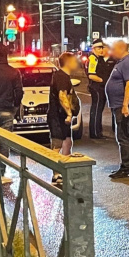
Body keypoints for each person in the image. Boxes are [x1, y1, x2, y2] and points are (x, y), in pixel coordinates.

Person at [48, 52, 83, 186]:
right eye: (74, 61)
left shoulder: (64, 76)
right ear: (68, 62)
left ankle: (65, 169)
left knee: (67, 141)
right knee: (57, 144)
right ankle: (56, 174)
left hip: (61, 117)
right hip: (58, 117)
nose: (76, 63)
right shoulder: (61, 76)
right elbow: (62, 95)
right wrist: (69, 114)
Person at [105, 39, 129, 179]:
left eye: (113, 49)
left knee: (124, 137)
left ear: (120, 48)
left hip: (124, 106)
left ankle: (126, 168)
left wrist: (125, 105)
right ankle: (127, 166)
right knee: (125, 136)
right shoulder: (122, 62)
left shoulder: (128, 63)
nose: (111, 52)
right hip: (119, 105)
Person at [85, 41, 113, 139]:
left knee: (98, 110)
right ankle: (95, 133)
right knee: (96, 110)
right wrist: (104, 80)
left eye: (101, 48)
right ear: (93, 49)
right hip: (97, 87)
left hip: (100, 87)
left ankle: (97, 131)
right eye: (98, 48)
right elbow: (92, 75)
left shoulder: (98, 58)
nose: (101, 50)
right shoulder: (93, 59)